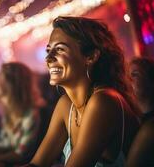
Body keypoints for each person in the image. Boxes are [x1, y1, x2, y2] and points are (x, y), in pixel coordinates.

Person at [26, 16, 139, 167]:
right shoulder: (66, 105)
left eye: (59, 49)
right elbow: (36, 165)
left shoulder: (104, 101)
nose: (49, 58)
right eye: (49, 50)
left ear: (91, 57)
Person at [126, 57, 154, 166]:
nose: (127, 79)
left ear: (151, 82)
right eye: (127, 75)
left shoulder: (150, 126)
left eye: (134, 74)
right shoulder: (131, 118)